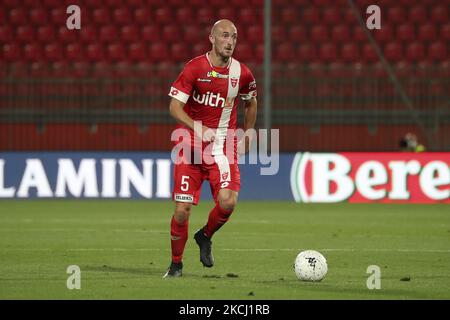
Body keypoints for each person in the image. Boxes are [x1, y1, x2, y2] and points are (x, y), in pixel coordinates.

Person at [163, 19, 258, 277]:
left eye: (234, 37)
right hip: (190, 148)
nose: (230, 41)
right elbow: (174, 106)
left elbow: (251, 103)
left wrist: (248, 134)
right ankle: (176, 265)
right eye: (225, 36)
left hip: (222, 149)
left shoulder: (242, 74)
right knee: (182, 211)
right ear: (212, 38)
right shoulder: (194, 68)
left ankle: (205, 235)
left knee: (228, 202)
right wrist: (197, 127)